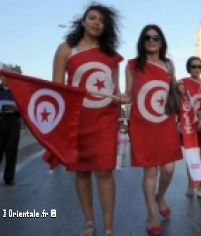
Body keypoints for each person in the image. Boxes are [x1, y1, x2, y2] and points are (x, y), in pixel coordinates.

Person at [52, 4, 122, 236]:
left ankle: (109, 227)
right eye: (92, 18)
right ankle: (90, 222)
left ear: (106, 27)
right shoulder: (66, 49)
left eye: (101, 21)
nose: (96, 23)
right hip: (77, 119)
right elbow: (57, 89)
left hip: (105, 119)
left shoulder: (111, 56)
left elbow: (117, 90)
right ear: (82, 21)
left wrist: (125, 98)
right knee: (82, 172)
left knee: (104, 171)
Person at [121, 24, 182, 235]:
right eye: (147, 37)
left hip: (165, 121)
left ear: (161, 41)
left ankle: (160, 196)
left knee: (168, 169)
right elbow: (128, 95)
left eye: (155, 37)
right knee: (150, 172)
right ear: (142, 41)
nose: (151, 40)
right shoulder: (131, 65)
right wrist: (120, 96)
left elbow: (171, 93)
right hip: (143, 123)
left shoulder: (169, 65)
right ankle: (151, 214)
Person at [178, 56, 201, 197]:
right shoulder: (183, 82)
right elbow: (177, 94)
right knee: (192, 155)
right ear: (189, 68)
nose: (196, 69)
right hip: (189, 124)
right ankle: (191, 184)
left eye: (199, 66)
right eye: (193, 66)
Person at [0, 75, 21, 185]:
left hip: (13, 122)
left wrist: (18, 108)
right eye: (3, 76)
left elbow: (23, 107)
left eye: (8, 76)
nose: (5, 78)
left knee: (11, 151)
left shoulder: (17, 91)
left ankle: (9, 178)